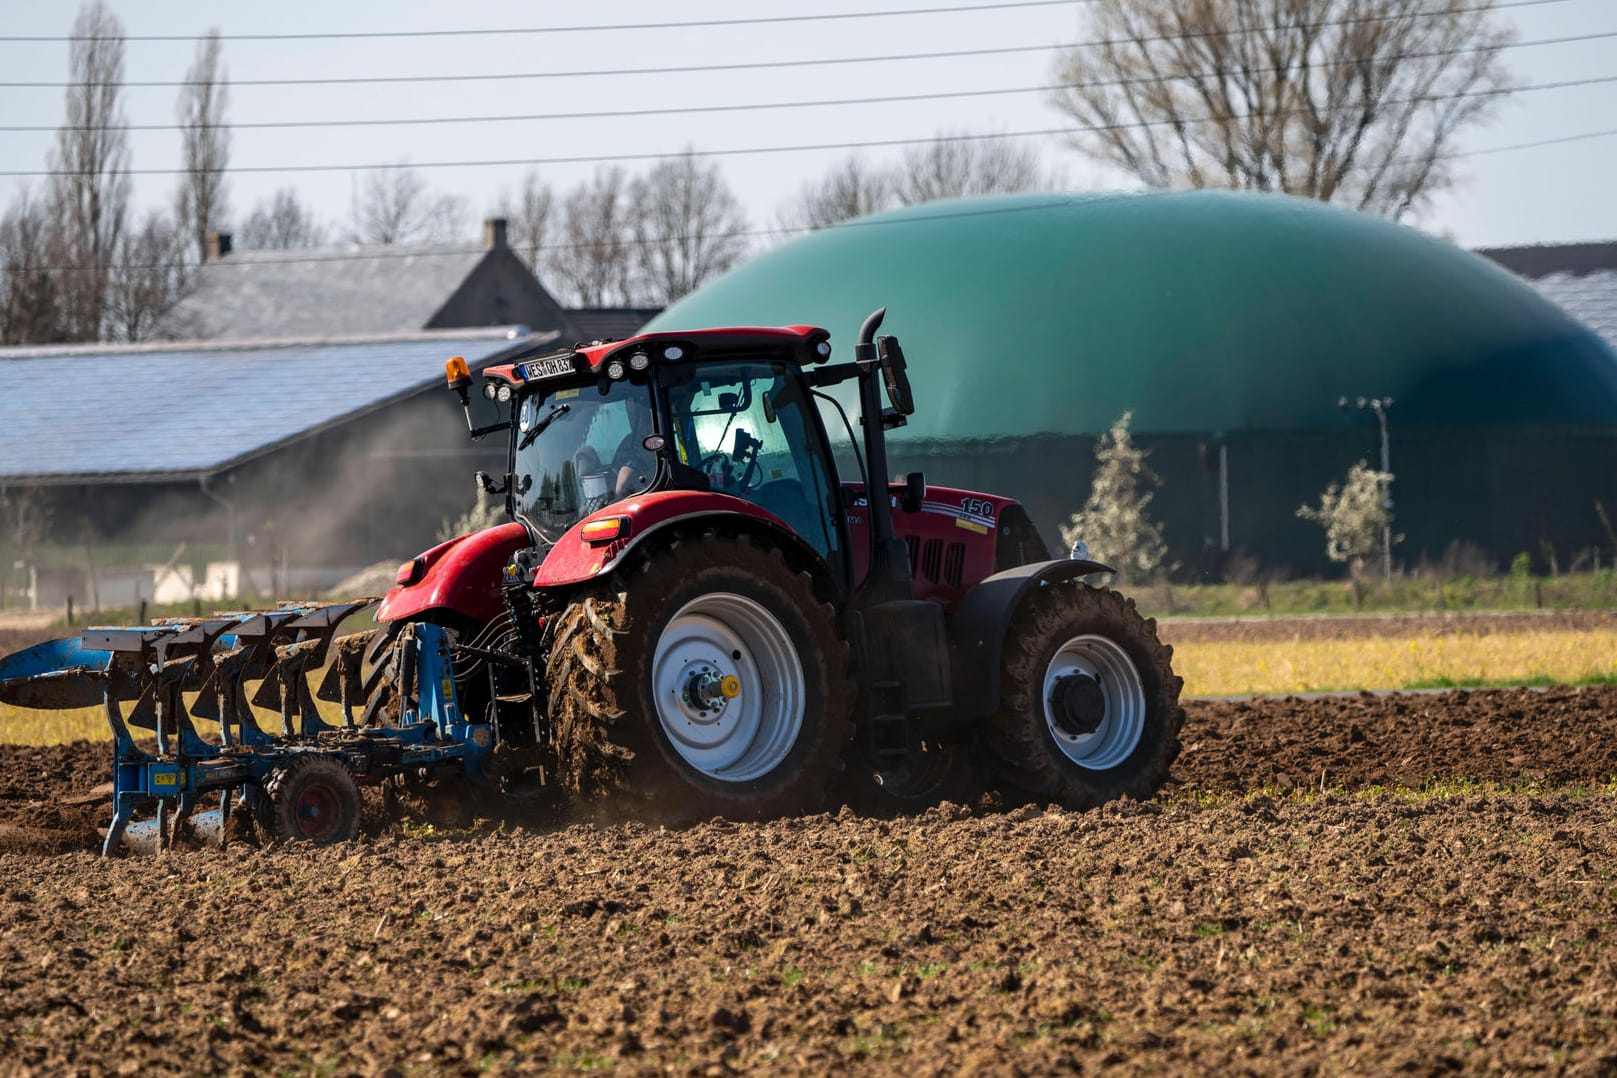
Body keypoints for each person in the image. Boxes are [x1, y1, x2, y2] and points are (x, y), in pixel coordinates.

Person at [608, 393, 658, 497]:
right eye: (631, 414)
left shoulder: (667, 431)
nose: (633, 420)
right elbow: (622, 487)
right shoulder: (630, 445)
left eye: (635, 414)